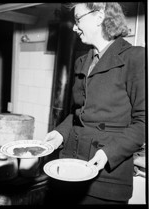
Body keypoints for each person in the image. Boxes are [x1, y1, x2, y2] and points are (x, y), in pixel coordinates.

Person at [43, 2, 145, 205]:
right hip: (71, 164)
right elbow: (78, 112)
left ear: (99, 17)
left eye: (78, 19)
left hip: (107, 174)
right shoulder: (82, 61)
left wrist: (109, 153)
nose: (74, 26)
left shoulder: (136, 58)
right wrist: (59, 134)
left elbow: (144, 122)